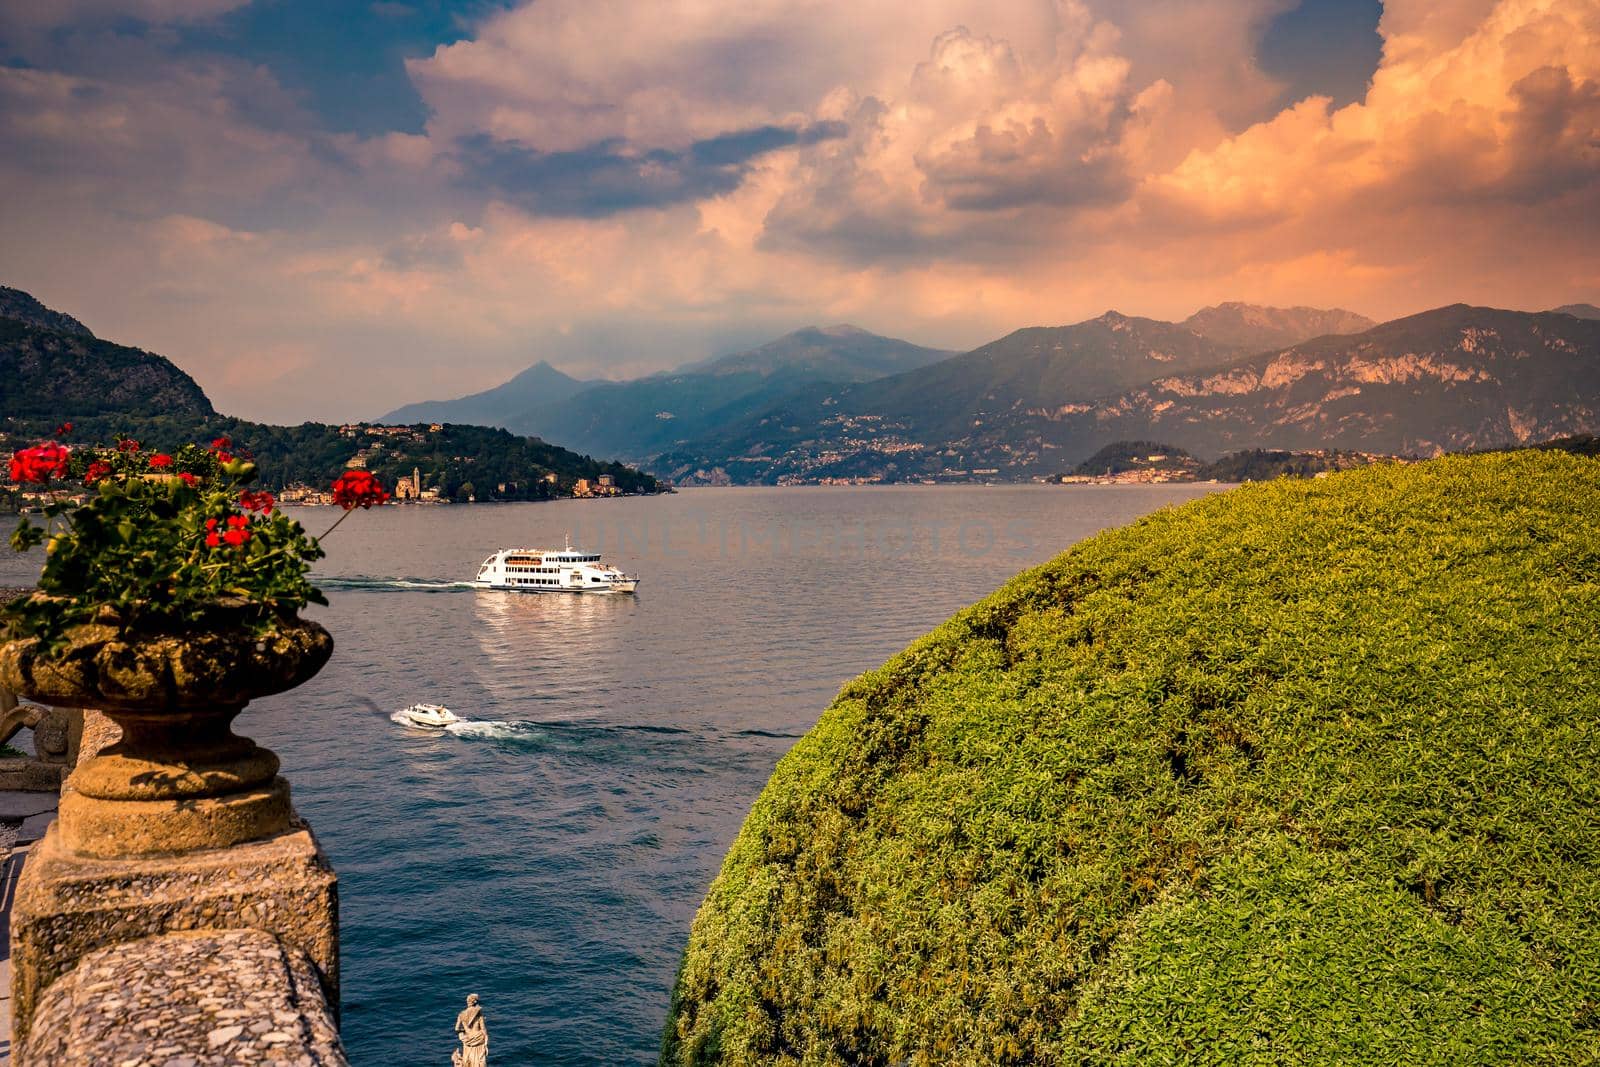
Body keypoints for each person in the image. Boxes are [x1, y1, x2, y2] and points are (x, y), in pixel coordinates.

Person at [455, 993, 488, 1067]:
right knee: (479, 1060)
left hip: (468, 1040)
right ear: (475, 1002)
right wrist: (486, 1043)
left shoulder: (461, 1014)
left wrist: (463, 1031)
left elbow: (456, 1029)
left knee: (468, 1059)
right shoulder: (478, 1014)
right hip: (478, 1039)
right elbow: (483, 1029)